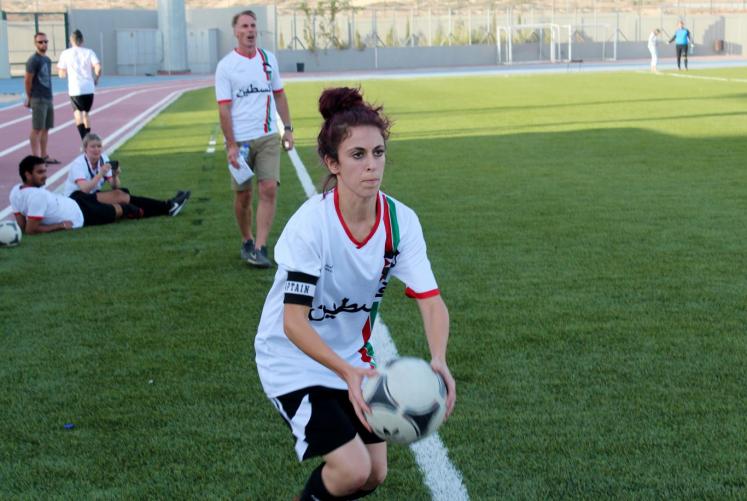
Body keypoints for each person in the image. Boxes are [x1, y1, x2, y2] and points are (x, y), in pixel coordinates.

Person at [254, 87, 456, 500]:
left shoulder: (400, 222)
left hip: (352, 360)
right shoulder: (312, 225)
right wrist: (345, 374)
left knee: (373, 474)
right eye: (357, 155)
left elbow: (430, 299)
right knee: (350, 468)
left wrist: (439, 358)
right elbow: (293, 323)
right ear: (333, 163)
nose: (371, 166)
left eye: (378, 153)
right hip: (292, 359)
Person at [215, 9, 294, 268]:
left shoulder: (268, 59)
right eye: (245, 26)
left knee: (269, 187)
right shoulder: (226, 66)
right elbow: (224, 108)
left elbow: (280, 95)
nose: (250, 31)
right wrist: (231, 145)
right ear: (236, 32)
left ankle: (260, 247)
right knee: (243, 197)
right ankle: (246, 238)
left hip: (268, 136)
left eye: (253, 26)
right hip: (240, 141)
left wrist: (288, 129)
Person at [62, 133, 191, 218]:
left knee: (122, 193)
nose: (96, 149)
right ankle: (168, 206)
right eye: (92, 147)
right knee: (120, 196)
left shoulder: (103, 158)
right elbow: (84, 189)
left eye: (99, 146)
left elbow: (115, 186)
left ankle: (168, 207)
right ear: (85, 149)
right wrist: (100, 173)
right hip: (75, 200)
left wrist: (114, 174)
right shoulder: (78, 164)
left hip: (89, 197)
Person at [11, 155, 139, 234]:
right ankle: (151, 209)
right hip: (82, 215)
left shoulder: (15, 190)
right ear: (27, 174)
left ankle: (159, 205)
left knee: (122, 194)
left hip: (76, 199)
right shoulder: (36, 196)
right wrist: (60, 225)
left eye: (45, 171)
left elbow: (23, 226)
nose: (45, 175)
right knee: (123, 209)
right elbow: (30, 230)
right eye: (40, 172)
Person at [57, 29, 102, 140]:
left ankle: (83, 138)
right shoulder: (89, 52)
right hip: (88, 87)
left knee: (77, 113)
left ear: (71, 41)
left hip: (75, 88)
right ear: (82, 40)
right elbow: (98, 67)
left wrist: (63, 73)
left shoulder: (66, 53)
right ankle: (88, 137)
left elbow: (61, 73)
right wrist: (96, 78)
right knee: (86, 113)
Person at [24, 32, 60, 164]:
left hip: (47, 97)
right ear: (35, 44)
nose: (43, 44)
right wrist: (29, 97)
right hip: (37, 98)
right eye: (40, 42)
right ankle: (36, 158)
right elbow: (27, 80)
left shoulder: (47, 60)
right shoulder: (33, 60)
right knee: (37, 128)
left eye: (45, 41)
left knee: (46, 128)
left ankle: (44, 156)